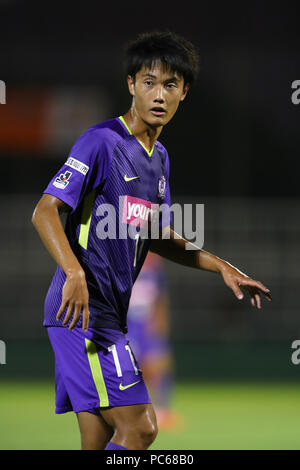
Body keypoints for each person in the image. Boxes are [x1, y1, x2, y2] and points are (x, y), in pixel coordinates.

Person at [32, 31, 271, 451]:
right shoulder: (101, 142)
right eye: (148, 82)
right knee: (141, 428)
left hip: (109, 317)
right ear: (131, 85)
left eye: (170, 85)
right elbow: (45, 210)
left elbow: (156, 234)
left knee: (99, 441)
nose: (158, 95)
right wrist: (73, 270)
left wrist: (221, 266)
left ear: (184, 92)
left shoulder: (159, 159)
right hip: (82, 314)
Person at [126, 251, 182, 431]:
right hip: (126, 321)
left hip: (147, 321)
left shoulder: (154, 263)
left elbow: (160, 296)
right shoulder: (120, 257)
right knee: (127, 367)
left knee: (160, 364)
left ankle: (162, 410)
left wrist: (161, 323)